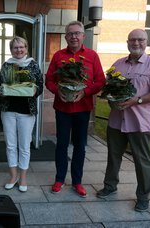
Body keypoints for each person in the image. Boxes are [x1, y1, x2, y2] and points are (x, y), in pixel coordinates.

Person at [96, 29, 150, 212]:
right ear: (127, 42)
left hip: (140, 122)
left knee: (142, 161)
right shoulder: (118, 64)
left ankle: (143, 197)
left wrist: (138, 100)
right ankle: (110, 186)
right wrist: (110, 98)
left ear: (146, 42)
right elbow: (107, 88)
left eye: (140, 40)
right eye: (132, 40)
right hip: (116, 121)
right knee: (113, 157)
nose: (136, 43)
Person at [45, 21, 105, 197]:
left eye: (77, 33)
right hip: (62, 108)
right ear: (65, 37)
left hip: (83, 108)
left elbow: (100, 81)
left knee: (80, 146)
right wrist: (58, 92)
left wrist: (85, 92)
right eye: (70, 34)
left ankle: (77, 181)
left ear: (83, 36)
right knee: (61, 145)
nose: (74, 37)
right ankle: (59, 179)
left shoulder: (92, 56)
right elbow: (49, 80)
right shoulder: (58, 56)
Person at [0, 36, 43, 192]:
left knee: (24, 146)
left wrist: (34, 90)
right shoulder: (6, 65)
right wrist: (2, 91)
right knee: (10, 145)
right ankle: (13, 175)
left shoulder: (33, 65)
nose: (18, 50)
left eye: (21, 47)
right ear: (11, 50)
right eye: (15, 47)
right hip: (8, 110)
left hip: (26, 111)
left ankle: (23, 177)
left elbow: (40, 86)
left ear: (26, 48)